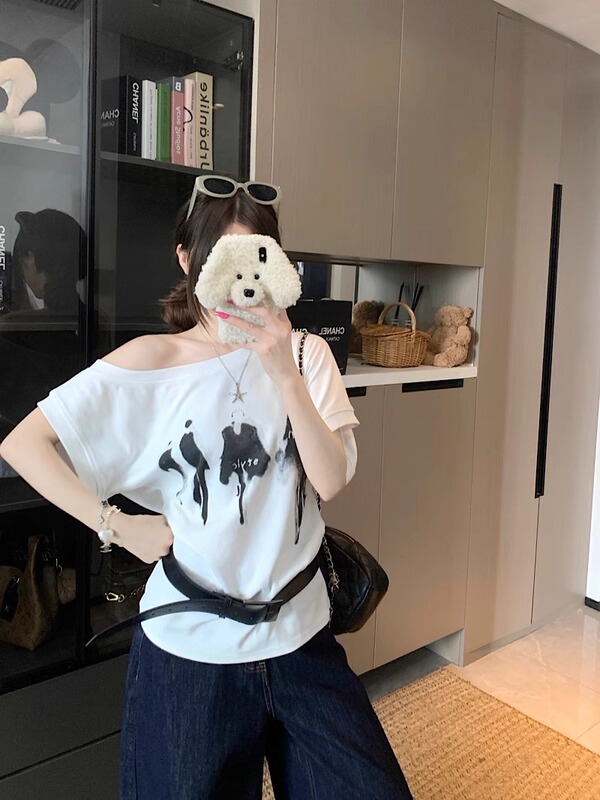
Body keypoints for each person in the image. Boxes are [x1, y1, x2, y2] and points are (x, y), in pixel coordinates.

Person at [0, 176, 413, 800]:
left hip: (302, 637)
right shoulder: (152, 362)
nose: (241, 282)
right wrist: (116, 524)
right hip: (189, 649)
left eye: (258, 257)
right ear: (187, 259)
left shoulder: (307, 356)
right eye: (223, 258)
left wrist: (282, 371)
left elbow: (330, 480)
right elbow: (23, 444)